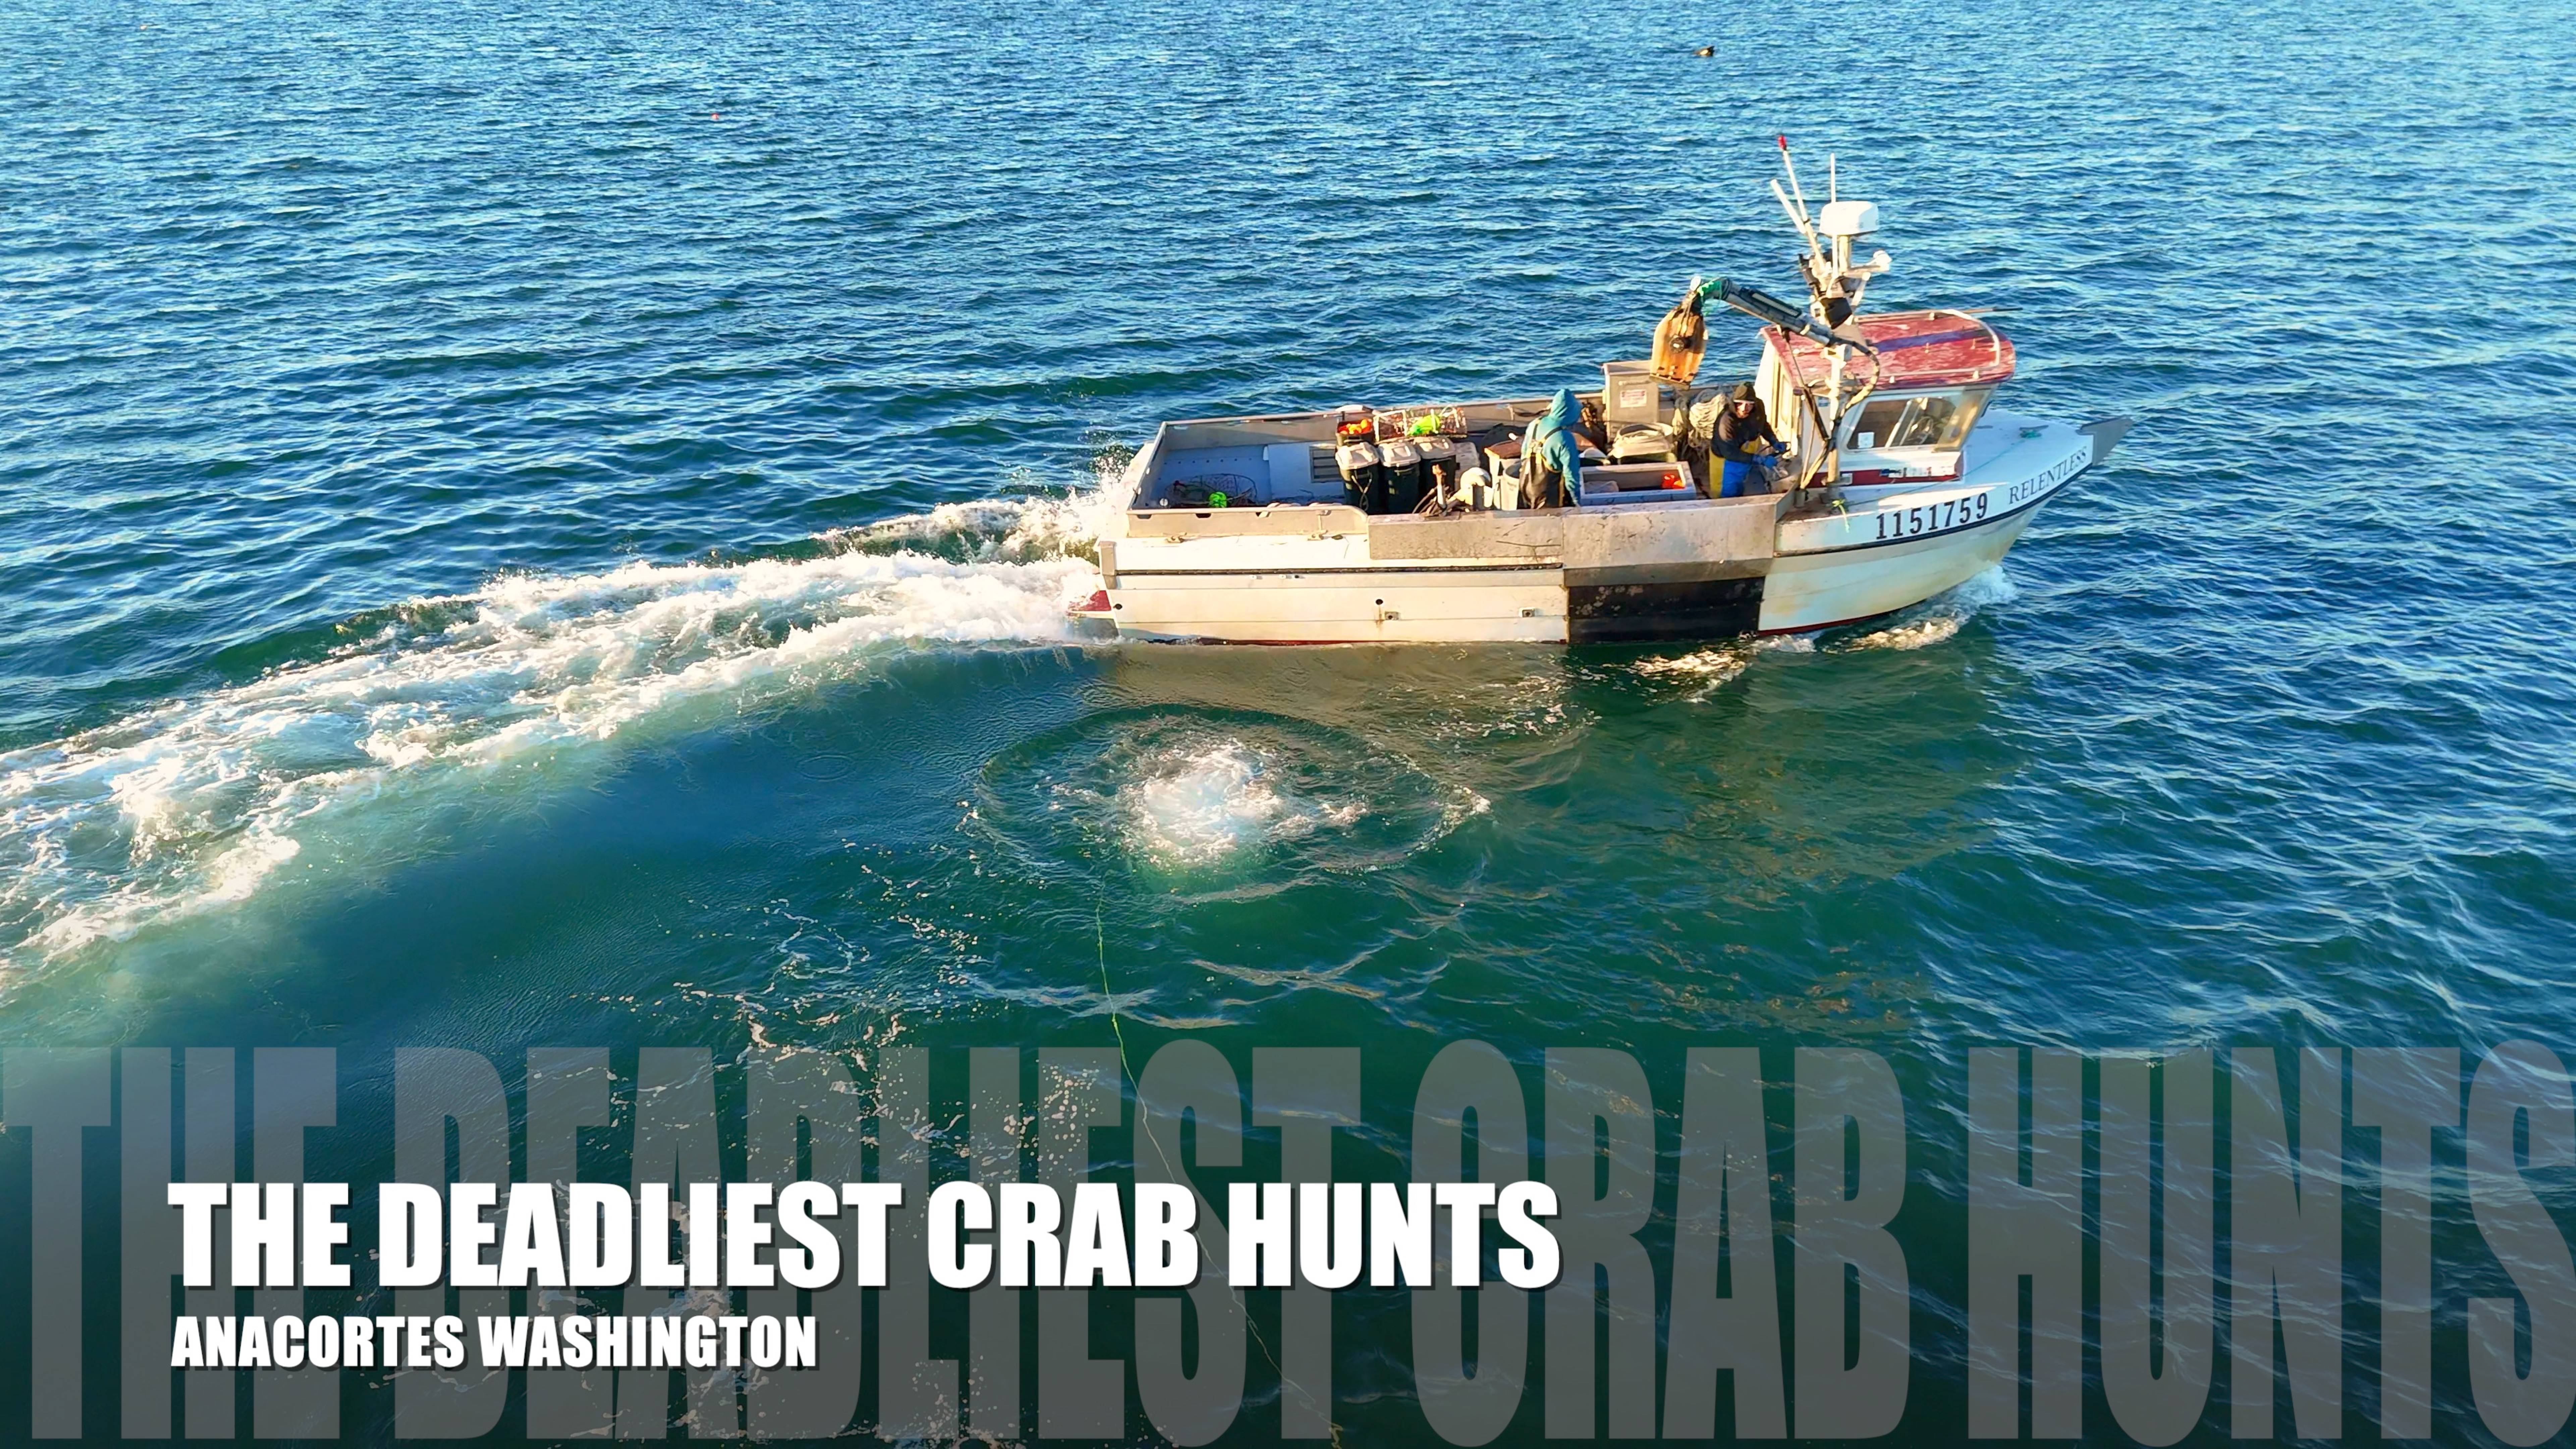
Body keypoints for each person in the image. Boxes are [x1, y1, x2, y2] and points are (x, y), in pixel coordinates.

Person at [1711, 383, 1784, 497]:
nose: (1744, 409)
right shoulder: (1726, 422)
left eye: (1749, 405)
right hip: (1726, 458)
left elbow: (1763, 425)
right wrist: (1760, 460)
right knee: (1725, 493)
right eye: (1740, 404)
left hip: (1746, 452)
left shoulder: (1759, 407)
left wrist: (1774, 441)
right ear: (1735, 403)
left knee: (1740, 485)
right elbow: (1729, 453)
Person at [1520, 388, 1585, 509]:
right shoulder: (1564, 438)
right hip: (1549, 498)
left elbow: (1524, 455)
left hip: (1527, 489)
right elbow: (1571, 475)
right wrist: (1576, 500)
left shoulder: (1535, 424)